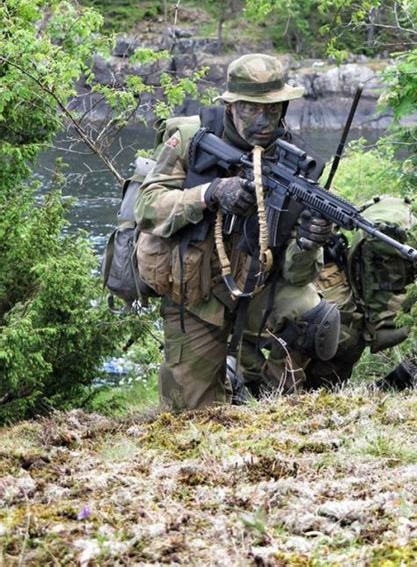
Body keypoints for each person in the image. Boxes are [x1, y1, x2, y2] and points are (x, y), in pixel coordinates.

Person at [134, 53, 342, 411]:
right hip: (197, 295)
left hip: (258, 288)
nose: (263, 121)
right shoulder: (191, 138)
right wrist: (210, 193)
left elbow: (297, 274)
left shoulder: (293, 164)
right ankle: (225, 378)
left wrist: (308, 243)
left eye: (272, 110)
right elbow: (147, 207)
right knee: (190, 417)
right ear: (231, 107)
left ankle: (272, 398)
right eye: (250, 109)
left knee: (315, 317)